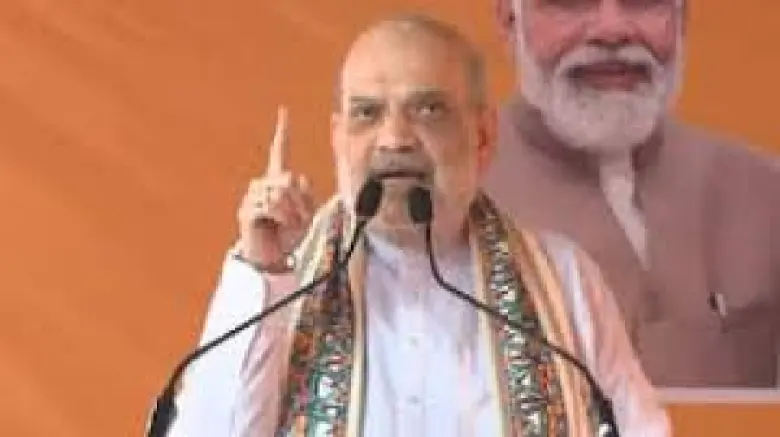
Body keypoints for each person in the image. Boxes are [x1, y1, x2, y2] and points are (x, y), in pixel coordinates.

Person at [166, 15, 670, 436]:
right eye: (367, 113)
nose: (394, 139)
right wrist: (264, 272)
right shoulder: (281, 279)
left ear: (482, 136)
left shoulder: (564, 281)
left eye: (427, 110)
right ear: (338, 138)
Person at [488, 0, 780, 388]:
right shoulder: (447, 205)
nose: (612, 30)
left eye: (643, 2)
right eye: (571, 4)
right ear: (510, 22)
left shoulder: (763, 191)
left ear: (681, 19)